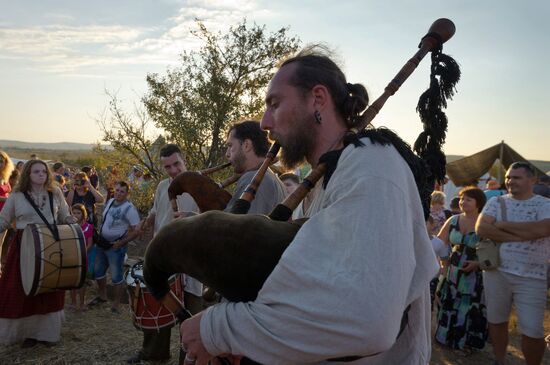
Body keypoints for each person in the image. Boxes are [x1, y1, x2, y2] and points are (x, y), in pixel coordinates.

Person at [180, 47, 439, 364]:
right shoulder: (325, 177)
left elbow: (366, 320)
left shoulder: (372, 165)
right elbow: (314, 290)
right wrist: (253, 342)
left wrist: (220, 329)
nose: (264, 122)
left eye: (274, 103)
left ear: (318, 98)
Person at [127, 144, 200, 364]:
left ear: (184, 158)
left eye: (176, 163)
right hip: (164, 261)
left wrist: (192, 218)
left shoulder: (200, 185)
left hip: (192, 263)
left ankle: (188, 359)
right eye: (167, 166)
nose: (173, 170)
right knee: (158, 306)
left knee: (191, 316)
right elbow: (156, 211)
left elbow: (213, 216)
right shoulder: (161, 186)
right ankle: (154, 354)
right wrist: (146, 223)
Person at [476, 162, 550, 365]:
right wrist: (522, 234)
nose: (510, 181)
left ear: (532, 180)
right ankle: (500, 360)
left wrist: (502, 225)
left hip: (532, 275)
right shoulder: (496, 201)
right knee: (497, 320)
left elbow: (542, 230)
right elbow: (482, 228)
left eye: (516, 177)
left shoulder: (545, 204)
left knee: (533, 329)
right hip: (496, 271)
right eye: (508, 177)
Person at [0, 160, 76, 347]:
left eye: (44, 171)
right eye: (36, 171)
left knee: (50, 291)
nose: (41, 174)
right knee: (21, 291)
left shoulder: (55, 192)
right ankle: (28, 334)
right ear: (28, 174)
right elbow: (4, 220)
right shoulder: (17, 195)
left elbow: (63, 215)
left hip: (51, 245)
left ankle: (47, 335)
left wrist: (70, 219)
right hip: (24, 248)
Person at [434, 186, 488, 351]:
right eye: (462, 198)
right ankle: (445, 338)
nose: (463, 202)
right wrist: (442, 264)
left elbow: (494, 250)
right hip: (453, 269)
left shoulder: (486, 222)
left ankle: (466, 342)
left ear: (478, 203)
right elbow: (439, 242)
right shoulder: (453, 220)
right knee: (448, 302)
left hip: (475, 272)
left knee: (469, 305)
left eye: (468, 200)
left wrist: (478, 264)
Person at [88, 181, 140, 313]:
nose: (118, 193)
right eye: (117, 190)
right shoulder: (110, 201)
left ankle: (116, 304)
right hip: (102, 243)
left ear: (127, 194)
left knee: (116, 276)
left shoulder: (129, 209)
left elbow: (137, 230)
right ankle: (102, 296)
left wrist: (121, 243)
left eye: (122, 191)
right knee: (99, 272)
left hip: (116, 247)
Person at [224, 120, 286, 213]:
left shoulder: (252, 179)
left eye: (230, 145)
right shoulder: (273, 179)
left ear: (246, 145)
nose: (227, 154)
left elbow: (239, 225)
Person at [68, 203, 93, 312]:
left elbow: (90, 243)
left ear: (83, 214)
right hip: (71, 258)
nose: (76, 215)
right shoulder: (68, 227)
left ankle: (82, 303)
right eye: (74, 213)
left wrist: (82, 252)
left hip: (83, 258)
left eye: (78, 213)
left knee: (82, 282)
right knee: (72, 281)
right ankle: (73, 303)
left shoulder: (88, 227)